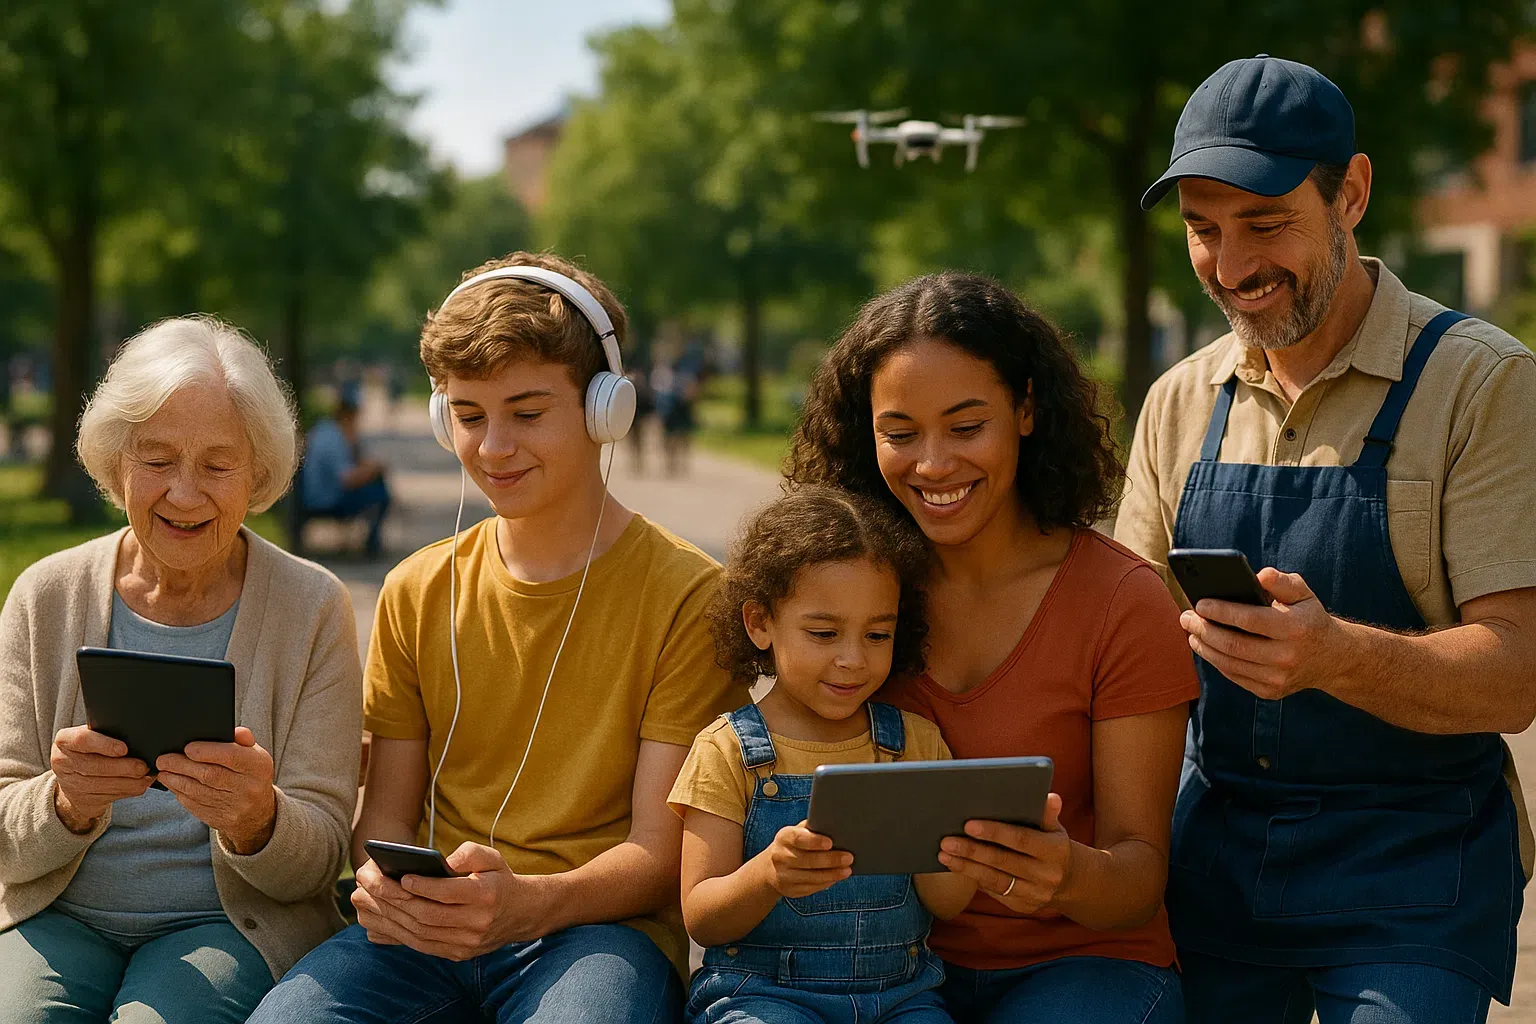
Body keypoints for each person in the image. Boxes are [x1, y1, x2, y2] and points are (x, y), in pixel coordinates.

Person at [1119, 55, 1536, 1024]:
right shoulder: (1180, 401)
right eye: (1202, 230)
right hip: (1215, 852)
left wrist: (1337, 656)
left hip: (1415, 866)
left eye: (1265, 223)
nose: (1231, 267)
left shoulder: (1484, 383)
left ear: (1350, 192)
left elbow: (1519, 676)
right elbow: (1125, 647)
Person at [248, 252, 737, 1023]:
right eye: (469, 416)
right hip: (425, 932)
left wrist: (527, 906)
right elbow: (386, 817)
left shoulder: (690, 596)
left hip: (598, 935)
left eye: (528, 411)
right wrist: (381, 880)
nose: (494, 447)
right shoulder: (416, 589)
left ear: (606, 408)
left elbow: (660, 852)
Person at [788, 272, 1198, 1023]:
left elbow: (1140, 875)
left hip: (1085, 969)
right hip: (885, 972)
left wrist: (1067, 873)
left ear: (1027, 411)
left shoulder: (1122, 601)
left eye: (966, 426)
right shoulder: (846, 591)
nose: (933, 464)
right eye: (900, 434)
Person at [0, 316, 363, 1023]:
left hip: (227, 928)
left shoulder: (313, 606)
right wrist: (64, 804)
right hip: (57, 915)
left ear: (257, 473)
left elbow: (320, 859)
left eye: (218, 465)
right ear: (116, 463)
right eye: (157, 460)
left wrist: (259, 820)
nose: (185, 493)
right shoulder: (46, 595)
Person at [671, 486, 976, 1024]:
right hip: (763, 995)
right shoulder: (727, 750)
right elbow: (701, 916)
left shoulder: (916, 744)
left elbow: (947, 902)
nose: (852, 659)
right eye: (824, 633)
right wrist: (767, 874)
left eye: (877, 634)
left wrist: (958, 849)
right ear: (760, 623)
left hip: (902, 998)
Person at [299, 390, 391, 558]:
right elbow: (347, 479)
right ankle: (372, 545)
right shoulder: (333, 438)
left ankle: (372, 542)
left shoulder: (327, 430)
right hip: (325, 499)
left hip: (322, 493)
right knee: (380, 493)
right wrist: (373, 470)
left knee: (377, 485)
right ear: (348, 416)